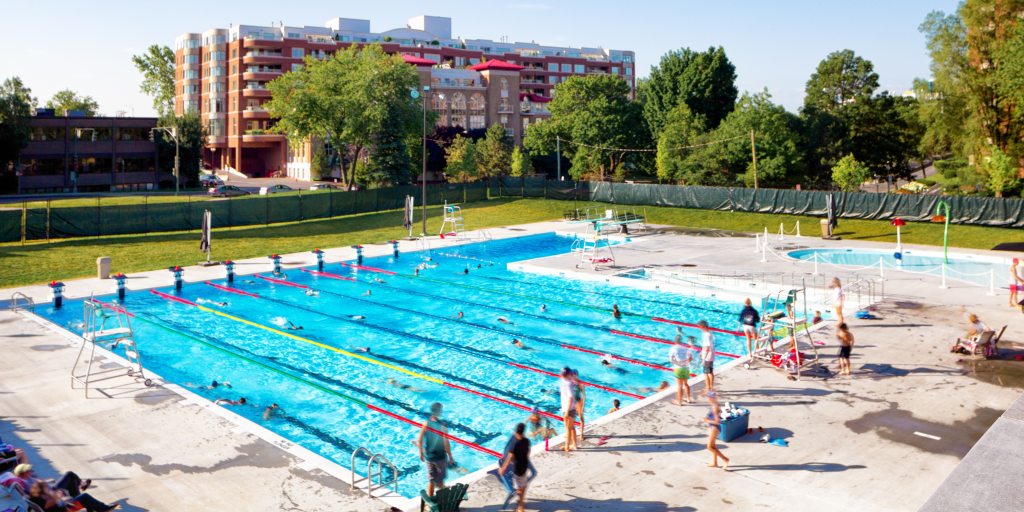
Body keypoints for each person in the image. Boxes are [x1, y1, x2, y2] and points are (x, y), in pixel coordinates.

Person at [417, 403, 454, 497]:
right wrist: (450, 456)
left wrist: (420, 453)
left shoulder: (426, 423)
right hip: (440, 457)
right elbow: (446, 443)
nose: (441, 412)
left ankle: (430, 502)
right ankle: (444, 501)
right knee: (440, 480)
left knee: (431, 480)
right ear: (437, 411)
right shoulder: (443, 425)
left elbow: (420, 440)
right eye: (440, 410)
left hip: (429, 457)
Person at [27, 479, 119, 512]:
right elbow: (55, 500)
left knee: (81, 498)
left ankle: (102, 508)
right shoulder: (46, 499)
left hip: (61, 507)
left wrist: (58, 496)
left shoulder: (36, 497)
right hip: (64, 509)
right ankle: (103, 508)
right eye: (46, 487)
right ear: (43, 490)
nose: (48, 487)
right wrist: (59, 496)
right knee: (85, 497)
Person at [498, 423, 532, 512]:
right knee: (523, 486)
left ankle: (520, 508)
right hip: (524, 466)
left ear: (517, 431)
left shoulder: (515, 443)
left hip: (517, 468)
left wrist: (502, 468)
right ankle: (521, 501)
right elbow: (528, 452)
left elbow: (509, 457)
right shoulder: (526, 440)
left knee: (519, 489)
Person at [700, 390, 729, 470]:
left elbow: (717, 421)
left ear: (711, 398)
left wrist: (706, 420)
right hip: (712, 427)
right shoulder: (713, 404)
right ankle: (715, 463)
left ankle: (725, 459)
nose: (707, 399)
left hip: (714, 427)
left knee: (709, 446)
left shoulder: (715, 407)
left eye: (708, 397)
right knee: (713, 446)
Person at [669, 331, 694, 405]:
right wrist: (685, 363)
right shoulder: (686, 348)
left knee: (679, 386)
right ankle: (688, 399)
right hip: (686, 368)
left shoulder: (673, 349)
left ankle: (679, 402)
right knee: (686, 384)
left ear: (675, 341)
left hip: (678, 369)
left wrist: (679, 363)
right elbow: (690, 358)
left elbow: (671, 360)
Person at [558, 368, 578, 452]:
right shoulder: (568, 380)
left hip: (569, 410)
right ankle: (575, 445)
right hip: (568, 408)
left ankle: (567, 447)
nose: (560, 375)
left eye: (562, 374)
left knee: (568, 429)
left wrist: (567, 411)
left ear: (564, 375)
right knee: (572, 427)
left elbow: (570, 398)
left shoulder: (567, 384)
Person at [697, 320, 716, 390]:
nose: (699, 328)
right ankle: (710, 387)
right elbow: (706, 346)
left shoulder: (707, 335)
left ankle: (709, 388)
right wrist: (701, 352)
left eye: (700, 327)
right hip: (709, 355)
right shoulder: (707, 334)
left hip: (708, 357)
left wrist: (704, 359)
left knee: (706, 373)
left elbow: (707, 347)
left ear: (704, 327)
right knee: (710, 372)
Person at [572, 369, 586, 441]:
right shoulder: (570, 383)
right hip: (572, 402)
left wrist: (582, 406)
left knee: (580, 418)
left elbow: (583, 396)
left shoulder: (581, 384)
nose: (573, 376)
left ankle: (581, 434)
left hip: (579, 402)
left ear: (577, 375)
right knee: (571, 418)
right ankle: (570, 433)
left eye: (574, 375)